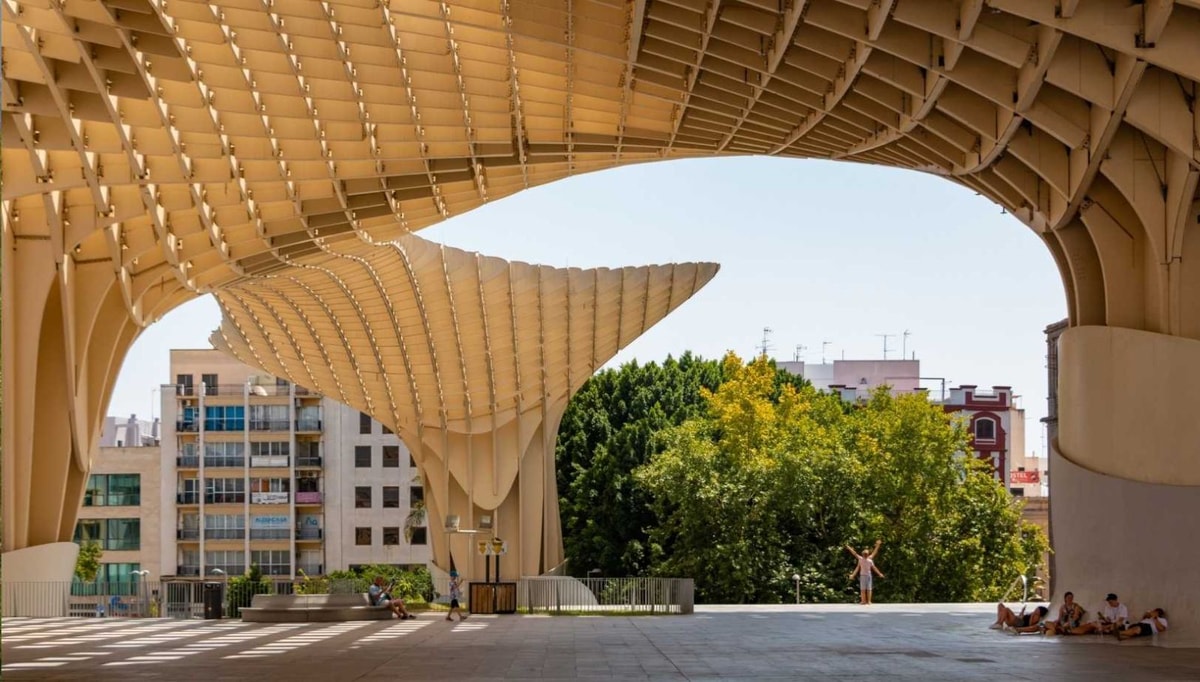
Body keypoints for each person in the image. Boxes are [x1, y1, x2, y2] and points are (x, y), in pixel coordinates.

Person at [846, 540, 885, 605]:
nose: (865, 554)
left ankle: (868, 601)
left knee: (868, 589)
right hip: (863, 575)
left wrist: (879, 573)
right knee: (863, 589)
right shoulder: (862, 559)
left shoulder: (868, 559)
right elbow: (854, 553)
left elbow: (855, 553)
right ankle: (864, 601)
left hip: (868, 576)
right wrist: (849, 548)